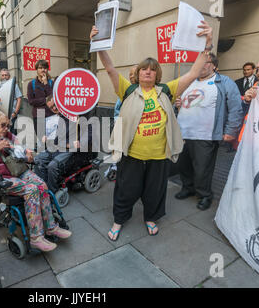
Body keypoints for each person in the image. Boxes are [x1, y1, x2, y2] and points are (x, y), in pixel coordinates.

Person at [90, 21, 213, 240]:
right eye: (144, 69)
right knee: (126, 190)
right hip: (132, 155)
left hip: (158, 156)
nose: (148, 72)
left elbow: (194, 72)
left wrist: (207, 44)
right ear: (137, 74)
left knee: (155, 191)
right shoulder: (127, 90)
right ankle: (119, 220)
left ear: (157, 74)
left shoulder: (167, 91)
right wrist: (98, 44)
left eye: (152, 70)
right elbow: (109, 69)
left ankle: (150, 217)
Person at [0, 110, 72, 252]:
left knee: (42, 186)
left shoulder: (9, 136)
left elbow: (22, 149)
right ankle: (36, 238)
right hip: (1, 178)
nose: (6, 128)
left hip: (18, 170)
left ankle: (50, 227)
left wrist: (28, 155)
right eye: (3, 125)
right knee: (31, 190)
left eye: (8, 125)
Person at [174, 53, 243, 210]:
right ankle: (188, 188)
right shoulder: (189, 81)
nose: (202, 65)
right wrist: (178, 104)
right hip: (183, 132)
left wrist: (230, 130)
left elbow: (235, 108)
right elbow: (180, 104)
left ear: (214, 65)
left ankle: (205, 195)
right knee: (183, 165)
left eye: (206, 62)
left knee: (203, 169)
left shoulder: (224, 82)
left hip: (205, 135)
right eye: (199, 63)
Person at [34, 95, 93, 194]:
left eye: (54, 105)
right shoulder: (61, 117)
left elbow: (90, 132)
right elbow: (57, 140)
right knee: (38, 160)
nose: (54, 108)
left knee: (52, 166)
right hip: (60, 147)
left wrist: (81, 142)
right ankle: (44, 187)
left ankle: (52, 192)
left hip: (72, 151)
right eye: (51, 107)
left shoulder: (79, 114)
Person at [27, 60, 55, 139]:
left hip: (51, 114)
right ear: (37, 70)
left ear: (47, 70)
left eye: (45, 68)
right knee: (41, 140)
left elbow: (52, 98)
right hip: (39, 114)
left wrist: (46, 84)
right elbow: (31, 101)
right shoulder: (31, 84)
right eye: (40, 68)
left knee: (52, 139)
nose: (43, 70)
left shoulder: (51, 83)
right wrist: (45, 100)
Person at [0, 68, 23, 134]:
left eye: (6, 75)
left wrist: (15, 112)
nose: (4, 77)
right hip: (1, 115)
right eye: (3, 75)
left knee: (13, 135)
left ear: (9, 76)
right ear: (0, 76)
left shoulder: (14, 85)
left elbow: (19, 99)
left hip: (12, 115)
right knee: (2, 134)